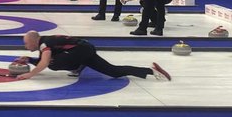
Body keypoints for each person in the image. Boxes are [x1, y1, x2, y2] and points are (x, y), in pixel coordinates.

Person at [11, 31, 171, 82]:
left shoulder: (45, 44)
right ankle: (150, 71)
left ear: (33, 40)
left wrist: (29, 74)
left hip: (82, 50)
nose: (26, 46)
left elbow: (45, 63)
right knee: (114, 71)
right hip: (85, 50)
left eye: (26, 44)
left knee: (52, 63)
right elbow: (41, 60)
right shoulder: (45, 43)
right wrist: (29, 60)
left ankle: (77, 66)